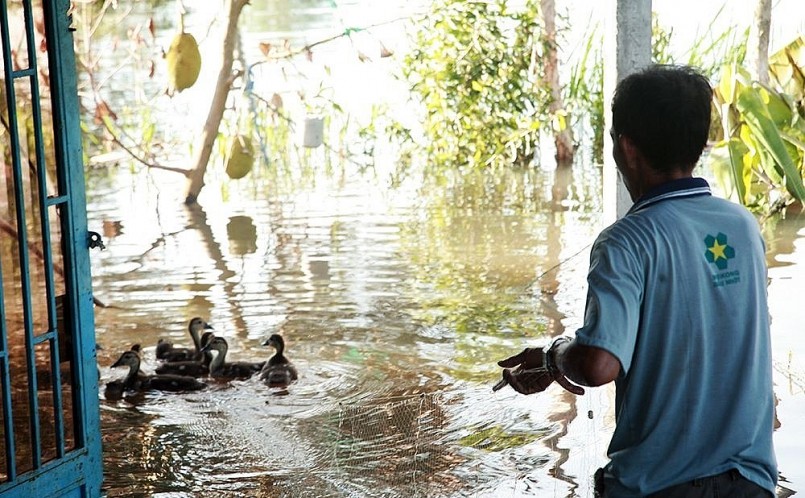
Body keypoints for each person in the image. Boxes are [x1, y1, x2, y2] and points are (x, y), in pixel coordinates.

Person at [496, 64, 777, 497]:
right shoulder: (742, 226)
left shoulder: (625, 242)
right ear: (700, 143)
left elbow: (598, 365)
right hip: (750, 483)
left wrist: (555, 358)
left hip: (657, 486)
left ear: (627, 149)